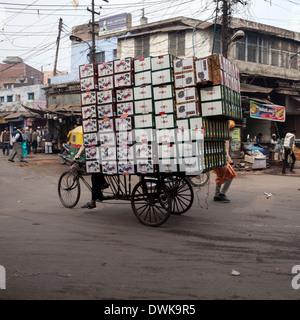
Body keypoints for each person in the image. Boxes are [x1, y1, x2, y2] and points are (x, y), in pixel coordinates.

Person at [72, 145, 108, 209]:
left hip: (97, 159)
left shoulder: (90, 135)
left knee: (94, 178)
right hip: (104, 158)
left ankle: (92, 202)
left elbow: (84, 145)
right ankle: (103, 186)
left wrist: (77, 156)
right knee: (97, 176)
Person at [212, 120, 237, 203]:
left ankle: (216, 194)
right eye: (232, 128)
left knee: (220, 175)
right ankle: (222, 194)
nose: (233, 130)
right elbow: (225, 149)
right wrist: (229, 158)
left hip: (215, 158)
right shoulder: (226, 136)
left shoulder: (219, 134)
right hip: (222, 159)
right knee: (231, 175)